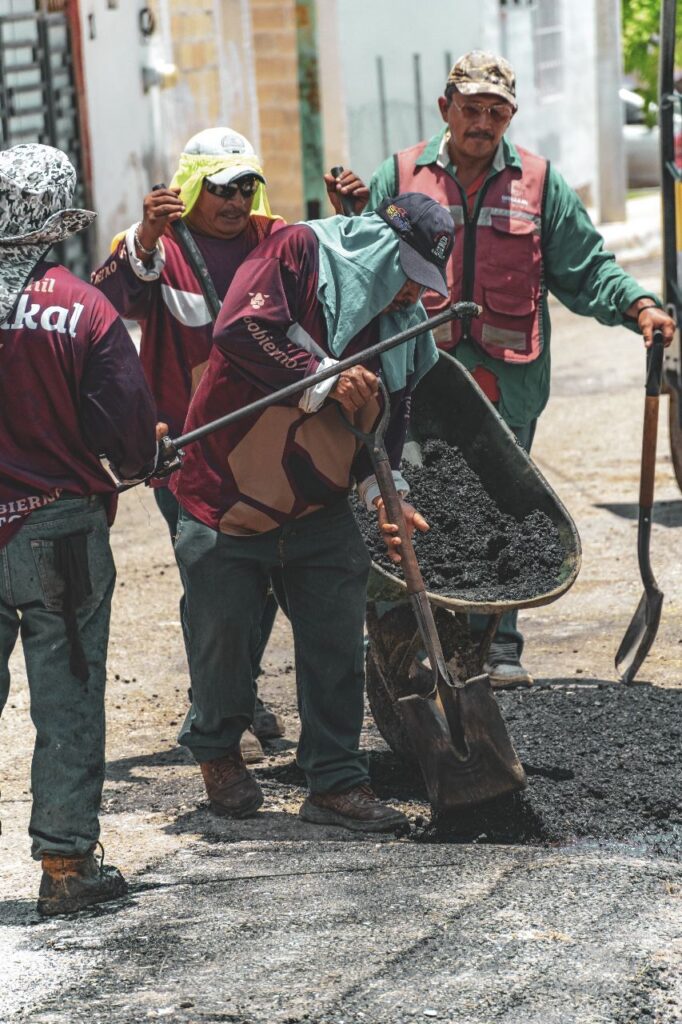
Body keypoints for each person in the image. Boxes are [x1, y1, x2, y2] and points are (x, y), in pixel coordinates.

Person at [350, 50, 675, 689]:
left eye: (496, 111)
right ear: (446, 108)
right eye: (471, 108)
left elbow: (585, 268)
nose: (482, 121)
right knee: (412, 504)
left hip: (507, 389)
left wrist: (637, 304)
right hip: (415, 384)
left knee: (507, 514)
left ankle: (499, 645)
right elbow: (360, 266)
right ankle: (414, 640)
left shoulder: (538, 183)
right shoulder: (400, 175)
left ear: (510, 116)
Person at [169, 193, 455, 831]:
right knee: (222, 637)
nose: (412, 293)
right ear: (379, 247)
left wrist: (387, 496)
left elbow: (390, 416)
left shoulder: (394, 327)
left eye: (423, 282)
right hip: (228, 489)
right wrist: (322, 375)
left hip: (315, 500)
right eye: (406, 274)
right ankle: (218, 751)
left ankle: (334, 782)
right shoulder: (297, 253)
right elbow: (238, 330)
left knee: (334, 637)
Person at [92, 127, 288, 759]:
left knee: (262, 579)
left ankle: (236, 690)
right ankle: (214, 708)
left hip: (263, 442)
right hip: (185, 451)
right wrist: (146, 238)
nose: (235, 201)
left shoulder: (275, 239)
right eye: (221, 188)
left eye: (246, 187)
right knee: (212, 580)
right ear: (192, 189)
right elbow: (104, 303)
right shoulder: (157, 246)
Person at [0, 144, 158, 915]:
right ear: (60, 220)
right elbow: (127, 430)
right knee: (66, 696)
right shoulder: (83, 310)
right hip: (57, 532)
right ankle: (66, 868)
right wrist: (146, 456)